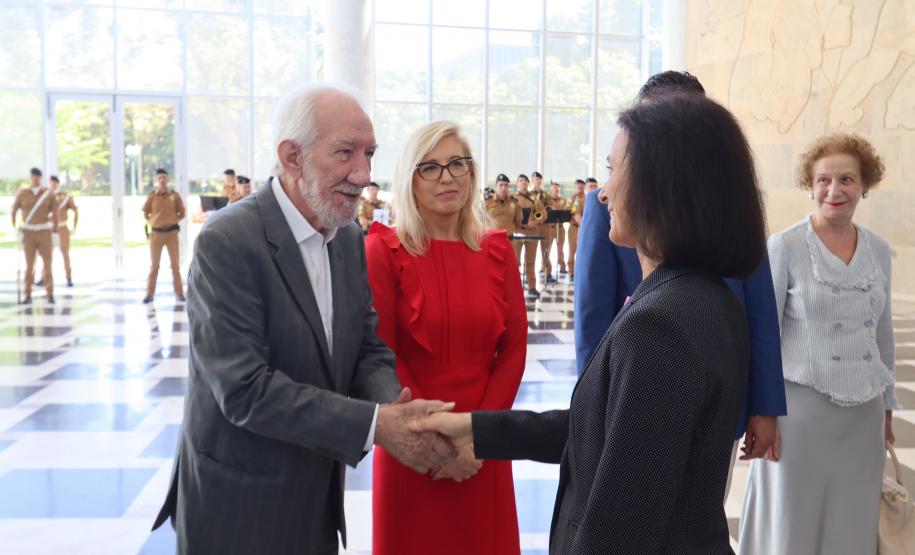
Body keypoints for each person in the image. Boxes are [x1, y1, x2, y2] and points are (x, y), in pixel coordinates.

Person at [414, 93, 768, 553]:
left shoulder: (661, 328)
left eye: (614, 167)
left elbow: (619, 526)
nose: (602, 191)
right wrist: (474, 430)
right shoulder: (700, 296)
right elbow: (601, 430)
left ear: (663, 185)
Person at [151, 84, 457, 554]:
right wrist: (380, 426)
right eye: (345, 153)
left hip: (314, 502)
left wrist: (399, 412)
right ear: (292, 157)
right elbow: (244, 390)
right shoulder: (228, 241)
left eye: (370, 154)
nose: (363, 173)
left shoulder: (348, 237)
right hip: (236, 509)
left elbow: (366, 346)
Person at [574, 72, 786, 481]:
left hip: (719, 395)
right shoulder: (606, 206)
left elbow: (760, 312)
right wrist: (590, 405)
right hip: (637, 392)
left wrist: (765, 405)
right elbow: (592, 317)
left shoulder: (734, 206)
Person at [366, 120, 526, 555]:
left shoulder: (496, 248)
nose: (448, 177)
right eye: (431, 167)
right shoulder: (384, 249)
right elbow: (381, 353)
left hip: (483, 450)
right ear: (409, 180)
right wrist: (435, 442)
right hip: (413, 448)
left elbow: (512, 351)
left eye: (458, 163)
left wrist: (478, 437)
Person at [738, 133, 897, 555]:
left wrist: (886, 407)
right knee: (792, 522)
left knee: (852, 523)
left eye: (847, 179)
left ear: (865, 185)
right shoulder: (785, 246)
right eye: (824, 179)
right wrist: (762, 412)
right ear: (810, 185)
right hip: (798, 416)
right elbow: (762, 334)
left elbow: (882, 334)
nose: (834, 190)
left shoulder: (879, 251)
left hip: (862, 418)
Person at [11, 167, 58, 304]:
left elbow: (55, 212)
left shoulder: (48, 194)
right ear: (30, 177)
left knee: (48, 265)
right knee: (29, 266)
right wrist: (15, 228)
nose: (35, 178)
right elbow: (14, 211)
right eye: (33, 176)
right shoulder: (22, 193)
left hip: (44, 232)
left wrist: (54, 230)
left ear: (40, 178)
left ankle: (50, 293)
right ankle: (28, 294)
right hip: (29, 232)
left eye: (37, 176)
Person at [142, 168, 186, 303]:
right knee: (154, 266)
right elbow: (145, 213)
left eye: (164, 177)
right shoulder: (151, 196)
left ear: (168, 179)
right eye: (159, 177)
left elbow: (182, 212)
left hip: (172, 233)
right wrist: (153, 222)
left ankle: (179, 292)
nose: (162, 180)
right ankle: (149, 294)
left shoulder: (174, 196)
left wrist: (173, 221)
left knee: (175, 265)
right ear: (156, 180)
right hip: (156, 234)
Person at [512, 174, 544, 297]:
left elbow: (542, 213)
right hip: (518, 233)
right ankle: (515, 287)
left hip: (532, 233)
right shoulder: (512, 198)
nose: (523, 182)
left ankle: (532, 286)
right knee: (516, 262)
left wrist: (535, 221)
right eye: (520, 180)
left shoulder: (534, 198)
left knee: (530, 261)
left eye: (525, 180)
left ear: (528, 183)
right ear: (517, 183)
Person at [485, 173, 523, 260]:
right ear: (496, 186)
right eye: (501, 185)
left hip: (509, 241)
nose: (503, 188)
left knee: (511, 267)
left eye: (506, 185)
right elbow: (480, 221)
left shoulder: (514, 202)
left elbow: (518, 221)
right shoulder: (487, 202)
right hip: (492, 242)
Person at [50, 176, 78, 287]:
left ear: (58, 183)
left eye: (54, 183)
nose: (52, 185)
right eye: (51, 183)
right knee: (46, 255)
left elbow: (75, 210)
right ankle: (44, 277)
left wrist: (74, 227)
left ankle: (68, 276)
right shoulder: (45, 195)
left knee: (65, 254)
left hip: (62, 228)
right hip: (49, 228)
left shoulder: (65, 196)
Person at [542, 180, 568, 282]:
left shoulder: (562, 200)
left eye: (557, 187)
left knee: (560, 248)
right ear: (550, 188)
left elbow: (566, 210)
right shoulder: (546, 200)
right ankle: (545, 269)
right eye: (554, 187)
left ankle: (562, 266)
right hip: (549, 227)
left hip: (560, 227)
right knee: (546, 249)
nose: (556, 189)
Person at [530, 171, 551, 280]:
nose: (537, 181)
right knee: (531, 251)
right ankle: (530, 276)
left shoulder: (545, 194)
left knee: (546, 249)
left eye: (538, 179)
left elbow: (549, 207)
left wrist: (543, 213)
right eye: (535, 179)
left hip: (545, 225)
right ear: (532, 180)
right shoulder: (528, 194)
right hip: (533, 225)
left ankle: (548, 273)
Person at [566, 179, 585, 278]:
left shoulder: (587, 198)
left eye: (582, 185)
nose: (580, 186)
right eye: (578, 184)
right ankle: (571, 271)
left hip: (585, 228)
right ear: (575, 186)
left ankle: (581, 270)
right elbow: (567, 211)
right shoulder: (571, 198)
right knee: (572, 249)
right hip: (574, 227)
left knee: (583, 251)